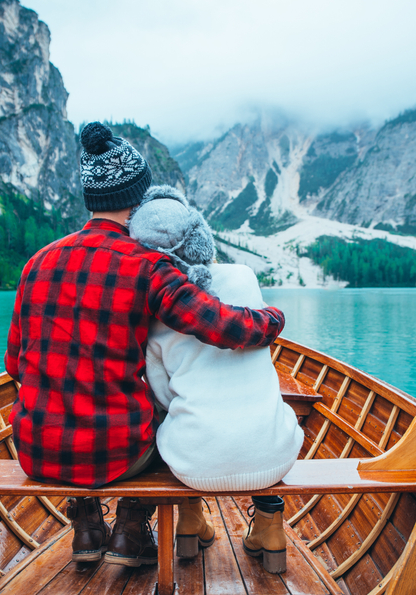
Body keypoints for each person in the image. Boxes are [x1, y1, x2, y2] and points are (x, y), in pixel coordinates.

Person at [4, 122, 286, 567]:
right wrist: (272, 320)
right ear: (139, 201)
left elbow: (15, 367)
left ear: (90, 200)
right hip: (119, 457)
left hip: (36, 452)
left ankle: (88, 528)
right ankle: (131, 532)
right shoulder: (148, 266)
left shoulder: (37, 263)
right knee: (164, 415)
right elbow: (217, 325)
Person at [129, 186, 304, 574]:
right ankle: (270, 527)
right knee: (264, 409)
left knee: (163, 420)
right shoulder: (243, 277)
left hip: (194, 464)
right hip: (275, 457)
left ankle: (190, 521)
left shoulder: (158, 307)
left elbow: (160, 396)